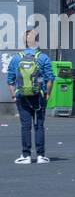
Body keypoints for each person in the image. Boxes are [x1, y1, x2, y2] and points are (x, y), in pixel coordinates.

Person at [6, 30, 53, 164]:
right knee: (39, 126)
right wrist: (47, 94)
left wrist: (14, 95)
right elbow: (50, 78)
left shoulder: (16, 58)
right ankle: (40, 155)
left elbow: (10, 79)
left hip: (22, 97)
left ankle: (26, 156)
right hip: (39, 96)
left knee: (25, 126)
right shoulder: (43, 57)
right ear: (37, 41)